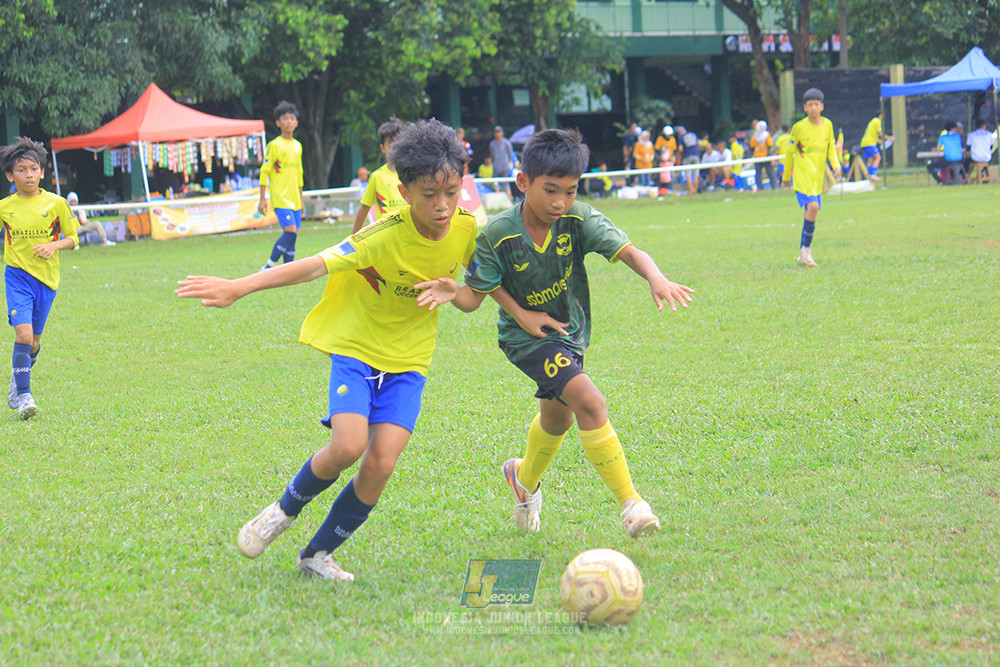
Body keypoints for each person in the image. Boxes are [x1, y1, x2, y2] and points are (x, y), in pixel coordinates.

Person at [175, 119, 478, 582]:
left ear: (462, 181)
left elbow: (474, 297)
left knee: (381, 464)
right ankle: (282, 510)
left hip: (410, 361)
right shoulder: (382, 234)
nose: (441, 206)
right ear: (403, 189)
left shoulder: (467, 229)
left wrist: (453, 290)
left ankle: (317, 554)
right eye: (428, 195)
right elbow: (313, 266)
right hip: (357, 350)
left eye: (451, 193)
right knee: (349, 445)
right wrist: (240, 286)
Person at [453, 129, 694, 539]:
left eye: (569, 190)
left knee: (558, 417)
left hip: (570, 334)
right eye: (550, 190)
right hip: (524, 339)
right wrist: (513, 312)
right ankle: (631, 503)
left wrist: (656, 277)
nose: (560, 202)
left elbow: (630, 251)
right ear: (523, 182)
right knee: (589, 400)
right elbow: (474, 297)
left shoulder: (577, 218)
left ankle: (522, 479)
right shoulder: (497, 234)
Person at [1, 137, 80, 419]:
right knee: (22, 335)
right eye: (21, 170)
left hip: (46, 281)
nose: (29, 175)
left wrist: (54, 245)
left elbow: (74, 239)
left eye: (33, 169)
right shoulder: (5, 207)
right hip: (17, 277)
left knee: (33, 343)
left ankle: (16, 383)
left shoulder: (57, 204)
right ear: (10, 176)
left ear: (42, 172)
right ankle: (24, 396)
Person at [783, 88, 840, 267]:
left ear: (822, 106)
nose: (813, 108)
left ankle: (804, 252)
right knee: (813, 207)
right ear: (805, 108)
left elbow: (831, 146)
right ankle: (805, 251)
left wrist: (836, 164)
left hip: (817, 178)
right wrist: (786, 176)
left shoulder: (828, 125)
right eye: (810, 105)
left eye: (816, 104)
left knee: (811, 212)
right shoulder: (799, 127)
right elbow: (789, 152)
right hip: (802, 176)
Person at [258, 101, 304, 271]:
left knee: (294, 236)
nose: (289, 122)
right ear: (278, 122)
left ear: (297, 122)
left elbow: (299, 174)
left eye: (292, 119)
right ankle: (269, 267)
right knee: (290, 231)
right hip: (281, 197)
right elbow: (265, 171)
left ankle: (288, 271)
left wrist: (301, 199)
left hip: (295, 199)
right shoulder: (274, 145)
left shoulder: (298, 146)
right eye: (285, 119)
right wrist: (262, 198)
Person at [352, 117, 409, 233]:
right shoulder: (377, 177)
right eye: (391, 146)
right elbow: (364, 208)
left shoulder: (411, 174)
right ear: (383, 148)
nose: (395, 150)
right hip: (385, 236)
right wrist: (352, 237)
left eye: (398, 146)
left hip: (408, 234)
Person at [860, 113, 892, 182]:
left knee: (870, 159)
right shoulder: (877, 121)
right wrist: (889, 138)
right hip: (870, 143)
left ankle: (867, 176)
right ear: (880, 115)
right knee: (878, 157)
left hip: (864, 143)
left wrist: (881, 142)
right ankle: (873, 175)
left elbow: (873, 135)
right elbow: (880, 133)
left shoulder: (871, 122)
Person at [750, 120, 777, 191]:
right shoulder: (767, 135)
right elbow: (770, 145)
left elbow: (752, 146)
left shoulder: (754, 136)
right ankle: (774, 187)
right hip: (766, 156)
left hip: (757, 157)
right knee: (770, 172)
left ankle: (760, 188)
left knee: (758, 173)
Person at [489, 125, 515, 198]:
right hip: (496, 166)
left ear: (502, 133)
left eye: (499, 132)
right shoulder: (492, 144)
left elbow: (510, 154)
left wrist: (510, 163)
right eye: (496, 132)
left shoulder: (506, 143)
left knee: (505, 184)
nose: (498, 134)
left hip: (505, 166)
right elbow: (492, 155)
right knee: (494, 183)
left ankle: (507, 198)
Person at [676, 126, 700, 194]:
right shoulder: (693, 134)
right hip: (696, 155)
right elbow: (699, 143)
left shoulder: (681, 137)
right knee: (696, 175)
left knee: (688, 175)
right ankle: (696, 190)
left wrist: (680, 156)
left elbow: (680, 149)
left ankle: (691, 191)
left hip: (687, 156)